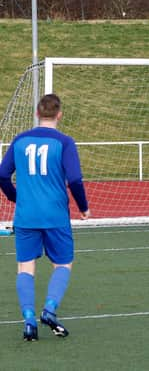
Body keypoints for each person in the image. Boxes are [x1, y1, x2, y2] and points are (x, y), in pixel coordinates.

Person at [0, 94, 90, 341]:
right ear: (59, 114)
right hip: (55, 215)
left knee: (25, 267)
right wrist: (84, 207)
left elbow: (2, 175)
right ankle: (49, 309)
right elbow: (74, 180)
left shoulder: (20, 140)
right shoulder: (65, 142)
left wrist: (15, 198)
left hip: (26, 215)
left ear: (37, 113)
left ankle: (29, 321)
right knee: (62, 264)